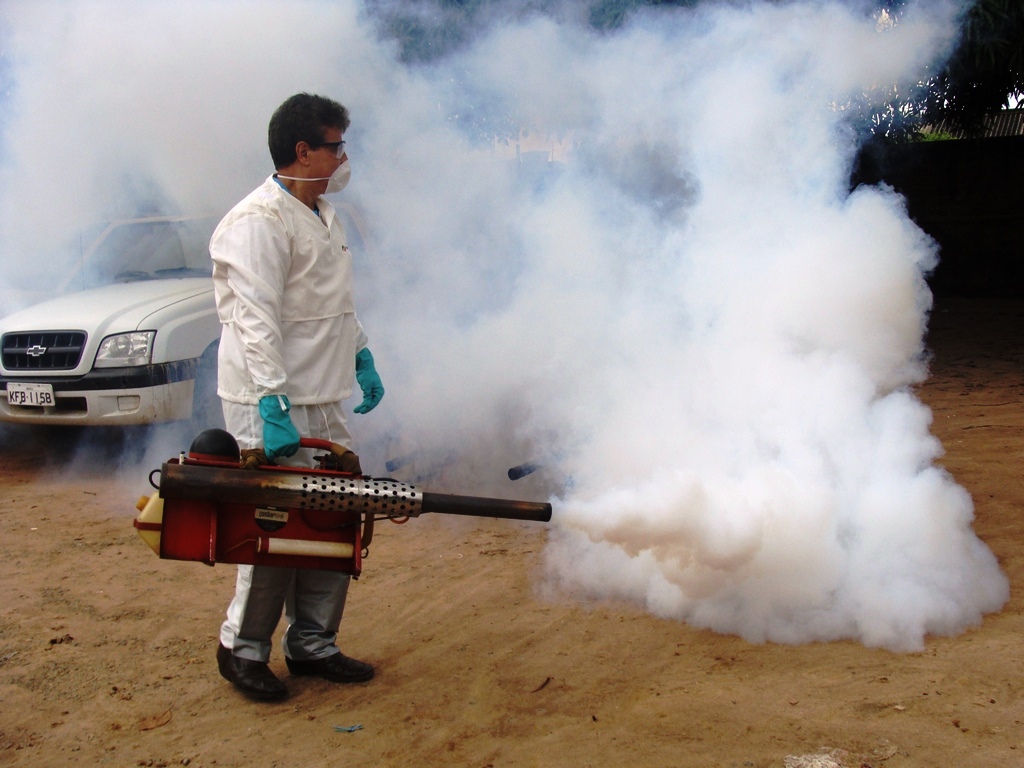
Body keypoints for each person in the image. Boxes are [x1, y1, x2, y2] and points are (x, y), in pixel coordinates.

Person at [209, 92, 386, 702]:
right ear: (302, 150)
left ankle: (313, 643)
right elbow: (256, 321)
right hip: (270, 399)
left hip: (324, 390)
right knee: (273, 527)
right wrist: (270, 404)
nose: (343, 156)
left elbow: (332, 306)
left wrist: (360, 353)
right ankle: (243, 648)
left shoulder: (324, 214)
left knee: (333, 516)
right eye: (334, 146)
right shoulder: (258, 222)